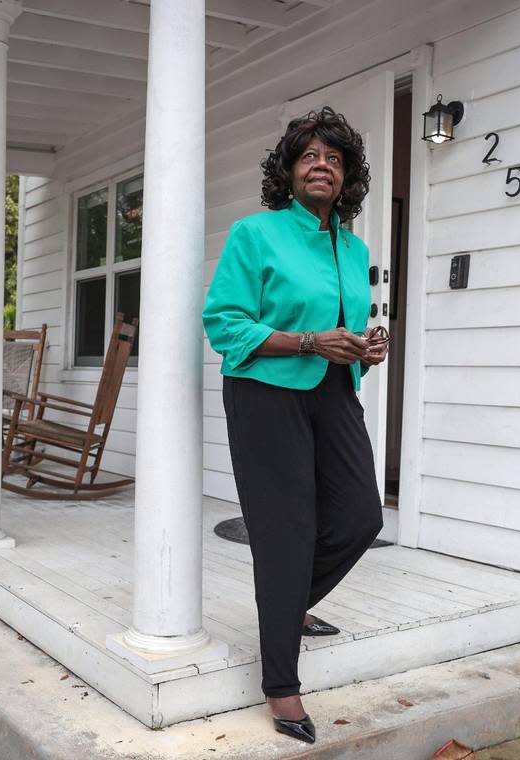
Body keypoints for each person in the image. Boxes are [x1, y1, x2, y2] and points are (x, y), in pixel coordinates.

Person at [202, 106, 388, 744]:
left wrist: (364, 346)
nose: (322, 166)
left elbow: (343, 327)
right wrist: (310, 340)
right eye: (310, 156)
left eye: (334, 160)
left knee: (362, 514)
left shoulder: (354, 245)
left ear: (347, 180)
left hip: (335, 392)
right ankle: (281, 683)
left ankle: (285, 608)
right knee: (287, 530)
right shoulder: (255, 234)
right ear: (287, 171)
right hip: (265, 393)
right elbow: (224, 325)